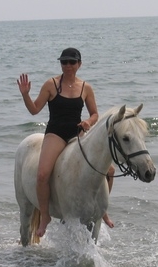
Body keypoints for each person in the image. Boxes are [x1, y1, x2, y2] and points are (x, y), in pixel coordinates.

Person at [17, 48, 115, 237]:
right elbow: (34, 110)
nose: (68, 66)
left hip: (77, 134)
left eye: (72, 62)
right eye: (64, 62)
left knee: (109, 171)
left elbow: (95, 113)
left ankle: (101, 209)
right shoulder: (51, 84)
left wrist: (88, 122)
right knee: (43, 174)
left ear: (79, 64)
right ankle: (45, 215)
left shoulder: (85, 87)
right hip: (56, 133)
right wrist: (25, 95)